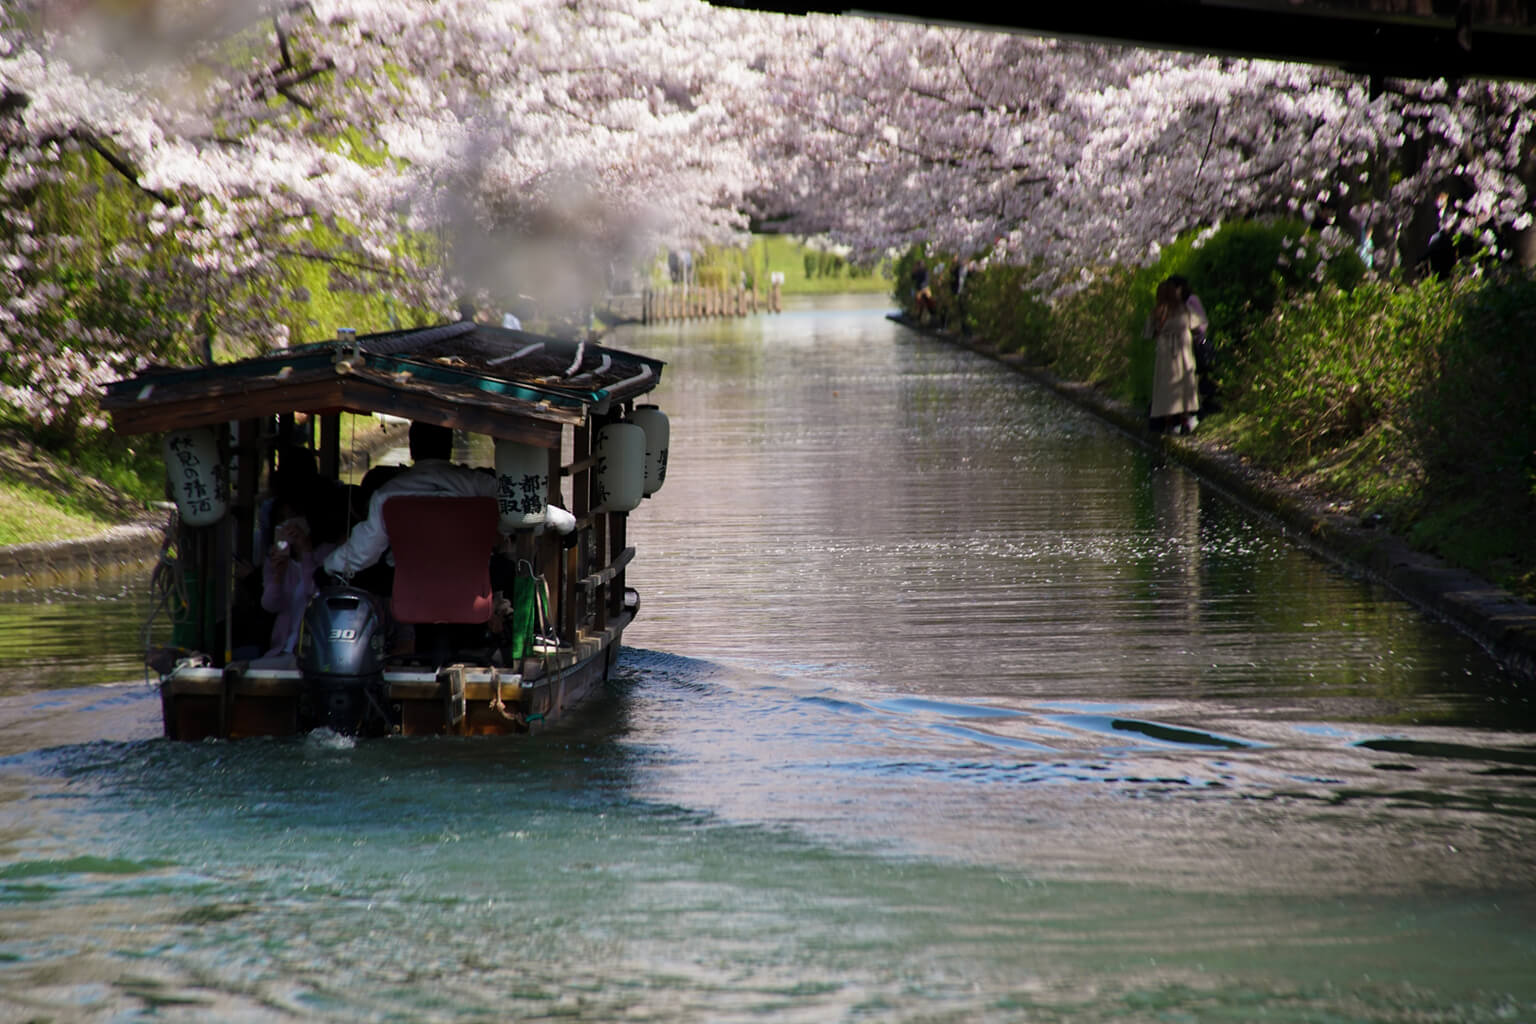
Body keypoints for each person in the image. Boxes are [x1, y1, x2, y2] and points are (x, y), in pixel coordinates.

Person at [322, 421, 502, 578]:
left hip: (408, 590)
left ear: (412, 449)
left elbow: (363, 553)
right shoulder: (483, 486)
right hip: (472, 585)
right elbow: (511, 519)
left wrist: (327, 566)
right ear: (450, 448)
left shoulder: (387, 494)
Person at [259, 514, 336, 660]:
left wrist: (305, 551)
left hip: (314, 652)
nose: (290, 530)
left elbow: (314, 593)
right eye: (284, 524)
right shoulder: (277, 559)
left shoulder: (326, 554)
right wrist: (278, 575)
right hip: (282, 650)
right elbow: (270, 605)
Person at [1149, 277, 1206, 434]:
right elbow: (1198, 326)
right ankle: (1185, 420)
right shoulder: (1184, 309)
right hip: (1183, 350)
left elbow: (1149, 332)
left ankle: (1168, 423)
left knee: (1165, 386)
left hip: (1165, 352)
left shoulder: (1157, 312)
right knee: (1185, 384)